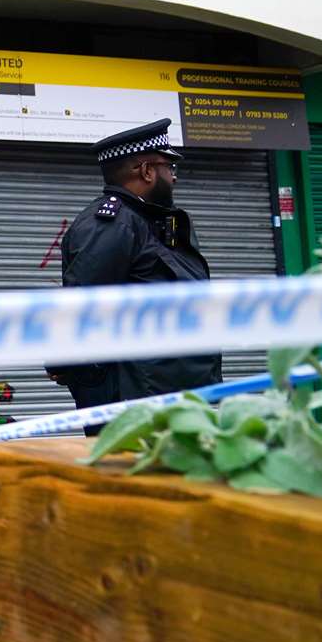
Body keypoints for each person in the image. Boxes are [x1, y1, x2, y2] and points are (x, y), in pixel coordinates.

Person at [50, 119, 221, 431]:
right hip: (136, 402)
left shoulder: (148, 222)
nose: (174, 177)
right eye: (169, 166)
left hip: (165, 393)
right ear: (146, 171)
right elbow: (81, 303)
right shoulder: (114, 225)